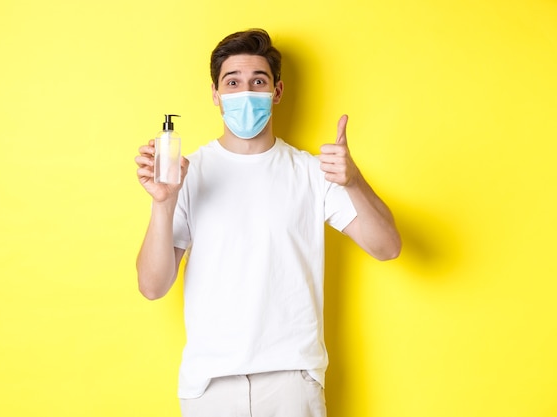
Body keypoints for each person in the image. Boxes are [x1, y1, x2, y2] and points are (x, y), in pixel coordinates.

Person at [134, 28, 401, 417]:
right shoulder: (186, 174)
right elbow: (152, 286)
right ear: (215, 94)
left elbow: (387, 247)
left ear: (276, 92)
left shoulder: (312, 173)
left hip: (292, 381)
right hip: (210, 384)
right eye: (233, 82)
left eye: (258, 81)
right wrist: (163, 203)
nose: (245, 93)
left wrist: (354, 181)